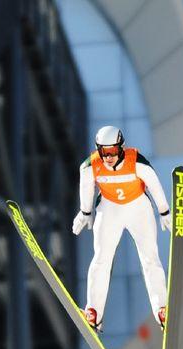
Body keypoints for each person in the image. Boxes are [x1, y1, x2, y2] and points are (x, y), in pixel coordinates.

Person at [72, 126, 171, 332]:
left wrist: (165, 212)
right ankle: (94, 314)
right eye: (103, 151)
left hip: (138, 208)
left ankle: (162, 309)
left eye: (112, 151)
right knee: (101, 259)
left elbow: (154, 184)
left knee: (150, 258)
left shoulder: (137, 162)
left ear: (121, 147)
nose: (108, 157)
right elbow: (86, 188)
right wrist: (85, 212)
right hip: (109, 209)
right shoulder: (90, 166)